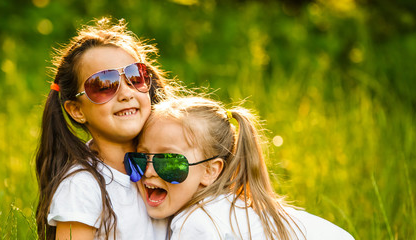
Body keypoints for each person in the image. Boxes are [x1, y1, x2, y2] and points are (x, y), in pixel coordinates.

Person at [124, 96, 355, 239]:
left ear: (210, 171)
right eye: (141, 157)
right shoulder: (230, 206)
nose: (149, 171)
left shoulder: (196, 223)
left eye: (169, 161)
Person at [35, 17, 174, 240]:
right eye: (104, 85)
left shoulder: (175, 160)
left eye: (134, 77)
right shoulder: (82, 187)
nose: (126, 93)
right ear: (76, 110)